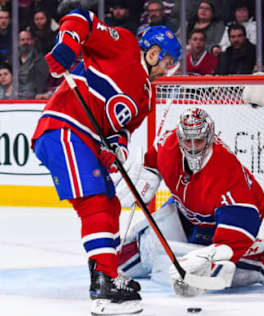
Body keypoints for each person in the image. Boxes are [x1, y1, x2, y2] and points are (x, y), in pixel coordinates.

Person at [30, 7, 181, 315]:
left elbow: (120, 130)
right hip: (63, 127)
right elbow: (81, 18)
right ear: (153, 52)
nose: (168, 70)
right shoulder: (123, 44)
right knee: (96, 203)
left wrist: (116, 149)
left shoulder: (146, 95)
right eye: (166, 62)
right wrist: (67, 45)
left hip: (85, 139)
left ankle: (106, 270)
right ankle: (104, 285)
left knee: (110, 203)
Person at [115, 108, 264, 297]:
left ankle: (260, 261)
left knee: (208, 266)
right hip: (186, 211)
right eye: (187, 141)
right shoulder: (168, 145)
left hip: (222, 222)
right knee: (143, 250)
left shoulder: (226, 174)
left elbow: (239, 228)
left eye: (198, 141)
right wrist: (148, 173)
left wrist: (212, 257)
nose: (192, 147)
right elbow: (153, 158)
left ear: (209, 138)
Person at [18, 30, 50, 99]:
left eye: (28, 39)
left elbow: (41, 82)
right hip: (16, 97)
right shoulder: (12, 61)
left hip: (35, 98)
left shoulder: (41, 61)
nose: (25, 42)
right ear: (18, 42)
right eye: (22, 40)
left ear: (32, 41)